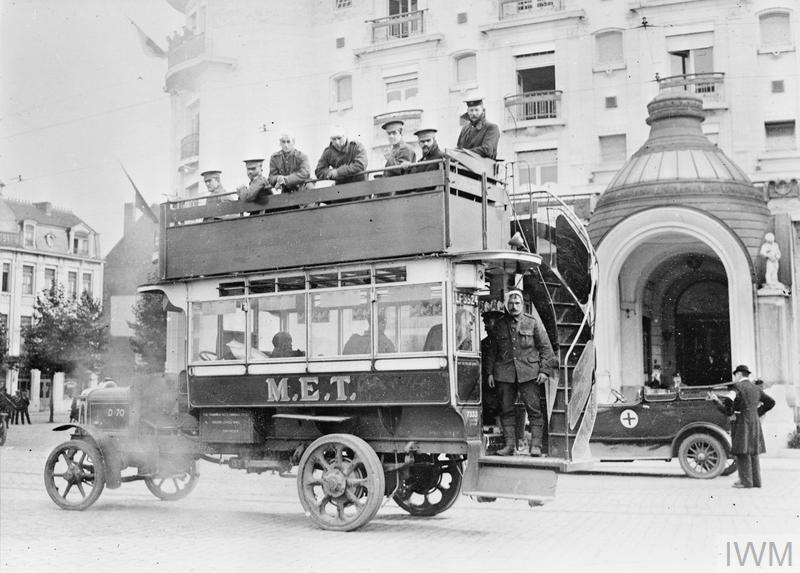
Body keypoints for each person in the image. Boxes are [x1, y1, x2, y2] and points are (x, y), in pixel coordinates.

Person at [484, 289, 557, 456]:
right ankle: (509, 445)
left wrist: (545, 371)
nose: (514, 306)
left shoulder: (532, 323)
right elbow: (493, 351)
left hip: (529, 374)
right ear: (507, 305)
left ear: (522, 305)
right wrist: (489, 373)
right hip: (504, 373)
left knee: (534, 410)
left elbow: (547, 350)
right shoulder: (500, 324)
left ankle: (536, 446)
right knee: (506, 409)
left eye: (517, 303)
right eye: (511, 303)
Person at [708, 364, 775, 488]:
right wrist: (757, 412)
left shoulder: (737, 387)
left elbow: (728, 400)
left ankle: (746, 482)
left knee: (742, 451)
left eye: (735, 375)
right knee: (753, 452)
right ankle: (756, 482)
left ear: (738, 374)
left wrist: (727, 409)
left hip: (741, 422)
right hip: (755, 422)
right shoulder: (756, 388)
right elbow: (771, 402)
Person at [456, 95, 500, 160]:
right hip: (463, 168)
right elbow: (459, 148)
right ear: (467, 112)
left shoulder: (492, 127)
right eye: (471, 110)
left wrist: (463, 153)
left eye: (477, 110)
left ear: (483, 111)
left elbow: (487, 150)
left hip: (483, 168)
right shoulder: (464, 129)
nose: (474, 113)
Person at [480, 310, 504, 429]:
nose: (485, 325)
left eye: (487, 322)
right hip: (488, 381)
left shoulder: (503, 342)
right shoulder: (483, 343)